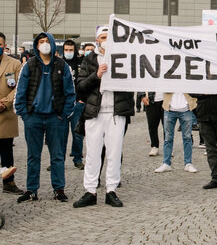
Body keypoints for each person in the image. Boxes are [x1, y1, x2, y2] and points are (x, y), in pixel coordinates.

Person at [72, 27, 132, 208]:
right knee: (92, 153)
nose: (106, 40)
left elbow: (132, 81)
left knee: (114, 153)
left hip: (116, 112)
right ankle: (90, 190)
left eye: (109, 37)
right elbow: (80, 86)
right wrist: (96, 75)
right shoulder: (89, 60)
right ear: (97, 40)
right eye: (103, 37)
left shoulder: (123, 58)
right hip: (94, 113)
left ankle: (111, 190)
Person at [14, 32, 75, 204]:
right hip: (33, 117)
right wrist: (24, 114)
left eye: (47, 41)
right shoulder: (30, 65)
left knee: (57, 155)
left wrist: (64, 114)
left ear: (54, 44)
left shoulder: (62, 66)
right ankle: (31, 190)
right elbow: (21, 91)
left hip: (55, 118)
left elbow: (70, 93)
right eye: (41, 41)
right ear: (36, 45)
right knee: (33, 155)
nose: (45, 44)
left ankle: (59, 189)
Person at [0, 32, 23, 195]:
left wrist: (6, 102)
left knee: (7, 149)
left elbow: (19, 86)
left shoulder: (14, 64)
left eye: (0, 44)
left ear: (5, 45)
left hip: (6, 113)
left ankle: (9, 182)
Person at [154, 93, 198, 174]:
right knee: (168, 138)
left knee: (187, 137)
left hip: (186, 109)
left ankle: (188, 163)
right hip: (169, 109)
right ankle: (166, 163)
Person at [61, 40, 85, 170]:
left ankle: (77, 158)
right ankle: (59, 159)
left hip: (77, 103)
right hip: (63, 104)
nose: (68, 52)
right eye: (66, 50)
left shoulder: (81, 63)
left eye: (71, 50)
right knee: (61, 134)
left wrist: (82, 99)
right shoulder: (59, 63)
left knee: (77, 133)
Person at [139, 91, 164, 157]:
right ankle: (154, 146)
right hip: (151, 100)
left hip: (165, 99)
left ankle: (168, 147)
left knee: (167, 125)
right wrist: (142, 96)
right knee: (152, 124)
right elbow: (140, 83)